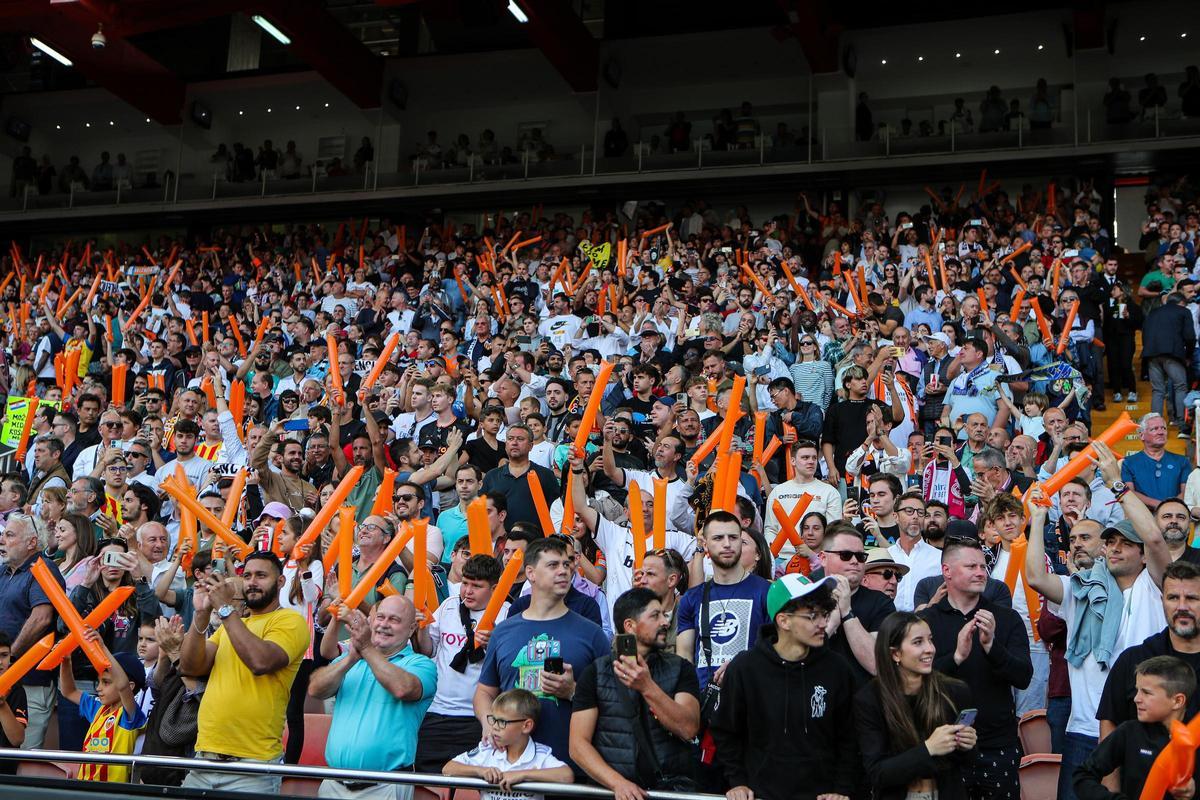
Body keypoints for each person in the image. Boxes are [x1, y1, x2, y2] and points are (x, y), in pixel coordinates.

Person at [710, 573, 859, 800]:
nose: (823, 623)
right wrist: (737, 782)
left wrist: (841, 789)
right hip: (761, 795)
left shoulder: (837, 669)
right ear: (783, 621)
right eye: (812, 616)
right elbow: (726, 732)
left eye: (824, 614)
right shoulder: (745, 668)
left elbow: (849, 737)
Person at [474, 536, 609, 773]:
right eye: (553, 565)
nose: (563, 571)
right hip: (509, 768)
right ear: (531, 573)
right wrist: (489, 723)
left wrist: (574, 692)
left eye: (567, 564)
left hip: (570, 769)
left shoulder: (592, 633)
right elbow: (485, 692)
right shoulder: (504, 631)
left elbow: (611, 701)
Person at [179, 551, 310, 794]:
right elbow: (189, 667)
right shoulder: (234, 624)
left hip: (253, 765)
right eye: (247, 576)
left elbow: (260, 661)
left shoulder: (291, 621)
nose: (252, 582)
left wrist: (225, 609)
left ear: (281, 582)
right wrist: (201, 614)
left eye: (261, 575)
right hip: (205, 758)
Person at [918, 536, 1032, 799]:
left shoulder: (1006, 618)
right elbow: (914, 681)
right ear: (947, 571)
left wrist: (992, 646)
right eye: (971, 566)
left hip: (997, 746)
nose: (981, 573)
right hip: (942, 745)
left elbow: (1023, 677)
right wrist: (956, 657)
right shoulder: (925, 622)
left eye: (983, 566)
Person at [570, 588, 701, 796]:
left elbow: (688, 728)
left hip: (669, 791)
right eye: (655, 616)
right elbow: (578, 745)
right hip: (614, 794)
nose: (665, 622)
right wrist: (618, 784)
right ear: (629, 625)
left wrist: (647, 687)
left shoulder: (680, 668)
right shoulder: (595, 673)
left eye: (664, 614)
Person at [309, 594, 437, 800]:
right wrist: (350, 659)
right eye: (381, 617)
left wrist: (367, 649)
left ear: (412, 628)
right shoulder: (352, 658)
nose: (384, 624)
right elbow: (315, 689)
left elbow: (403, 689)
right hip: (334, 783)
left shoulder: (421, 664)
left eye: (394, 620)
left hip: (385, 787)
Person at [853, 612, 977, 800]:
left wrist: (966, 745)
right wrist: (928, 749)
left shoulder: (954, 691)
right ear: (895, 653)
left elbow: (967, 762)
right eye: (918, 642)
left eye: (930, 640)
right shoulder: (870, 699)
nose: (930, 649)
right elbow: (877, 773)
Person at [414, 554, 507, 774]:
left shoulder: (506, 613)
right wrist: (422, 628)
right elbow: (428, 650)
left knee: (470, 783)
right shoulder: (449, 605)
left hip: (477, 718)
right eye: (465, 583)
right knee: (428, 780)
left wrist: (493, 644)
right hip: (437, 712)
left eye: (477, 586)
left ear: (494, 588)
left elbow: (508, 669)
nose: (468, 591)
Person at [1097, 560, 1200, 736]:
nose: (1182, 607)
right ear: (1162, 601)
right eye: (1173, 598)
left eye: (1191, 598)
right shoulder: (1132, 659)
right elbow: (1109, 726)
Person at [1074, 655, 1198, 800]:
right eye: (1137, 691)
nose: (1136, 699)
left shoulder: (1195, 739)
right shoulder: (1129, 732)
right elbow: (1082, 775)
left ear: (1177, 701)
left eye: (1146, 693)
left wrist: (1193, 790)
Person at [675, 511, 771, 690]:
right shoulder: (692, 598)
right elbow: (684, 656)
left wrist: (742, 667)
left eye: (733, 537)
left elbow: (777, 650)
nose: (727, 544)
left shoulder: (766, 591)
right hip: (705, 697)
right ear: (705, 544)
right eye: (718, 538)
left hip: (751, 694)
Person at [0, 512, 61, 749]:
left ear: (31, 542)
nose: (2, 540)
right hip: (6, 677)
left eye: (10, 535)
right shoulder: (4, 571)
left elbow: (42, 618)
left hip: (29, 682)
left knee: (21, 752)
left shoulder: (43, 569)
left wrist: (10, 659)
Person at [444, 689, 574, 800]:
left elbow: (567, 776)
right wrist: (481, 771)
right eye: (493, 719)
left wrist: (522, 775)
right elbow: (448, 769)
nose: (494, 727)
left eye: (502, 722)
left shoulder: (540, 754)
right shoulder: (488, 749)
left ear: (526, 726)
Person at [59, 628, 148, 783]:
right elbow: (69, 691)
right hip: (85, 786)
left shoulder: (129, 715)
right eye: (99, 682)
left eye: (106, 682)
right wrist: (66, 661)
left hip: (111, 791)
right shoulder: (97, 709)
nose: (98, 688)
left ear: (131, 686)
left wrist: (102, 648)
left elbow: (122, 686)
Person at [1141, 292, 1196, 433]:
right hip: (1172, 354)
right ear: (1181, 303)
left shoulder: (1153, 312)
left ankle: (1154, 426)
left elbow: (1144, 333)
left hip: (1151, 354)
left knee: (1158, 390)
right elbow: (1190, 337)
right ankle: (1182, 424)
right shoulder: (1184, 311)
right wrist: (1188, 356)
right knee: (1180, 387)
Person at [1122, 413, 1192, 510]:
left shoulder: (1182, 461)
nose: (1161, 432)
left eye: (1164, 428)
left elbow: (1186, 492)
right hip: (1142, 515)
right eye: (1155, 429)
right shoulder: (1128, 462)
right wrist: (1160, 505)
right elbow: (1129, 493)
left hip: (1174, 513)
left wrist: (1169, 508)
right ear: (1142, 435)